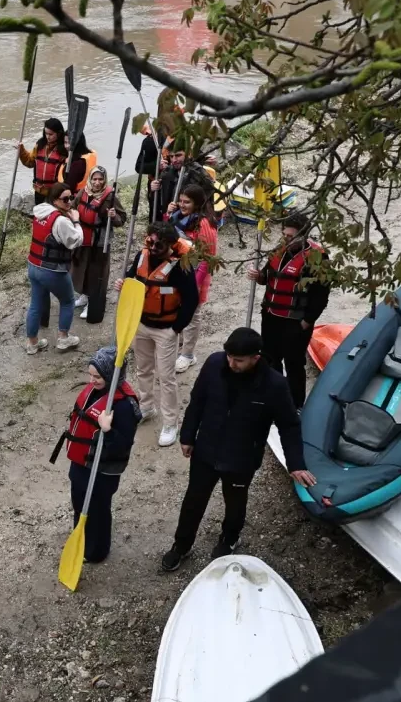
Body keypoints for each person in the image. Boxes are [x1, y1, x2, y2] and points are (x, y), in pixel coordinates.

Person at [161, 328, 312, 571]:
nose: (231, 363)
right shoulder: (213, 365)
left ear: (256, 357)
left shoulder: (275, 385)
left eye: (239, 360)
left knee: (235, 503)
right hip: (206, 451)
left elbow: (289, 426)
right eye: (229, 356)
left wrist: (296, 464)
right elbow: (197, 400)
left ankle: (229, 539)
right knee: (193, 501)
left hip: (242, 458)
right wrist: (188, 436)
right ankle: (181, 545)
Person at [115, 222, 199, 447]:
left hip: (166, 330)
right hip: (141, 325)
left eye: (158, 244)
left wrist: (176, 329)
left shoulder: (181, 267)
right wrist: (123, 284)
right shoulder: (141, 256)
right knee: (143, 369)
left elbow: (192, 300)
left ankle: (171, 423)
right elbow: (133, 278)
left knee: (166, 377)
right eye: (149, 241)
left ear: (171, 245)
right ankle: (146, 407)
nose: (152, 247)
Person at [55, 347, 141, 563]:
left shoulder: (123, 407)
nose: (92, 380)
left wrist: (107, 429)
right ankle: (80, 539)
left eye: (98, 377)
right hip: (81, 465)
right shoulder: (94, 392)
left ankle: (97, 550)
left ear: (111, 376)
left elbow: (122, 445)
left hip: (102, 471)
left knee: (98, 510)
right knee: (79, 503)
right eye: (90, 375)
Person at [247, 212, 331, 409]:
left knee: (294, 365)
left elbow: (321, 296)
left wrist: (307, 321)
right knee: (270, 359)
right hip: (271, 317)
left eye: (291, 236)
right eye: (284, 234)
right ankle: (274, 398)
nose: (286, 238)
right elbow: (268, 277)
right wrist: (258, 276)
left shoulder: (318, 259)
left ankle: (295, 405)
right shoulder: (279, 250)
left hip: (295, 321)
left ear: (304, 235)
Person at [26, 183, 84, 355]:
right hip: (52, 270)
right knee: (67, 301)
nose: (70, 202)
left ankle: (32, 343)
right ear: (54, 200)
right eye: (65, 199)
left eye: (71, 197)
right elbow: (75, 240)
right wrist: (76, 221)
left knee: (35, 304)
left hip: (33, 266)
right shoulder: (61, 221)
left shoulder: (39, 211)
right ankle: (63, 338)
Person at [171, 184, 219, 373]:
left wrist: (195, 285)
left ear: (197, 203)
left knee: (192, 315)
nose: (182, 205)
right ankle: (180, 344)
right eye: (181, 201)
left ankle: (188, 355)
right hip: (179, 271)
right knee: (177, 310)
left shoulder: (204, 224)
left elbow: (208, 258)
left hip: (196, 275)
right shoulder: (179, 218)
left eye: (187, 202)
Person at [70, 166, 126, 320]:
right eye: (94, 179)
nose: (97, 182)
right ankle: (84, 295)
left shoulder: (110, 197)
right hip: (83, 238)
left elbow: (122, 220)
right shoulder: (83, 191)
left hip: (100, 240)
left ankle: (93, 303)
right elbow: (73, 207)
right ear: (90, 179)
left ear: (104, 180)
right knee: (82, 268)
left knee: (96, 272)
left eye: (100, 179)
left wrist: (113, 216)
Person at [17, 117, 67, 201]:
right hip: (39, 191)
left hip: (55, 192)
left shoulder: (64, 150)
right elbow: (29, 162)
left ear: (59, 134)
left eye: (51, 134)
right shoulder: (40, 145)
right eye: (46, 133)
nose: (48, 137)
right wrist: (21, 150)